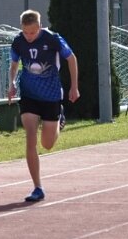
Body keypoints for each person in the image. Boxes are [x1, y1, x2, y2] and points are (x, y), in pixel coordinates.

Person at [7, 10, 79, 202]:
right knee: (30, 137)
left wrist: (74, 87)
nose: (28, 36)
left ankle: (59, 118)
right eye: (25, 32)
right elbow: (14, 64)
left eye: (32, 32)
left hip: (51, 96)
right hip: (29, 95)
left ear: (39, 27)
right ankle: (37, 187)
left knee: (47, 144)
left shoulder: (53, 39)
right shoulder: (18, 41)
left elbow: (71, 58)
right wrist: (12, 83)